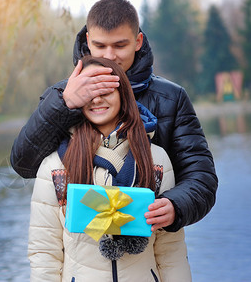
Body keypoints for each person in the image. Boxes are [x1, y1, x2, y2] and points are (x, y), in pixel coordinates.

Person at [11, 0, 217, 232]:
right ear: (88, 41)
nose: (109, 56)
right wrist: (65, 104)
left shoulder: (172, 98)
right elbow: (23, 165)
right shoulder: (61, 95)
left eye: (120, 46)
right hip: (82, 255)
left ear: (138, 41)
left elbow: (201, 177)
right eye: (100, 46)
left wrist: (176, 205)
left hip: (150, 250)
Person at [28, 56, 192, 281]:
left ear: (122, 94)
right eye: (88, 92)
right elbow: (44, 252)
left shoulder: (156, 159)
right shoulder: (56, 166)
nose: (96, 99)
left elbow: (170, 250)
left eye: (105, 90)